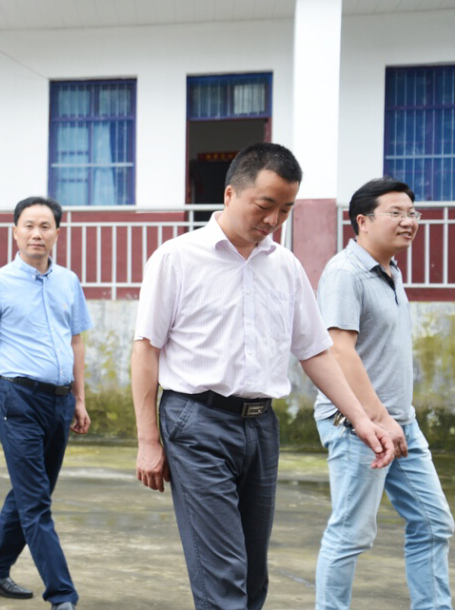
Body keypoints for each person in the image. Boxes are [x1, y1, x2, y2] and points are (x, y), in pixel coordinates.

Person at [131, 142, 396, 610]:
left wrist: (361, 418)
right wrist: (148, 440)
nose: (273, 220)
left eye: (286, 209)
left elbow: (315, 351)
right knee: (223, 576)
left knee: (253, 575)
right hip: (196, 422)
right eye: (265, 205)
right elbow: (146, 349)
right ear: (230, 194)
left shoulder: (285, 266)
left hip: (260, 427)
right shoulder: (176, 258)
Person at [314, 177, 453, 610]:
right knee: (352, 533)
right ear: (363, 221)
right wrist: (377, 418)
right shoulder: (345, 273)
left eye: (412, 213)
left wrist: (394, 419)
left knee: (434, 523)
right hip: (357, 424)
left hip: (400, 422)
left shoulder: (390, 271)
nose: (408, 221)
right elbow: (339, 351)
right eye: (396, 212)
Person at [0, 195, 91, 610]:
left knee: (32, 490)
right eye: (29, 226)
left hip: (60, 401)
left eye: (45, 226)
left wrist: (80, 399)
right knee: (36, 500)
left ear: (57, 233)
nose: (37, 233)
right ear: (15, 232)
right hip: (17, 398)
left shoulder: (68, 282)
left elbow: (76, 342)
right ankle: (62, 594)